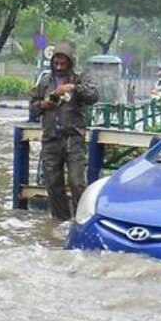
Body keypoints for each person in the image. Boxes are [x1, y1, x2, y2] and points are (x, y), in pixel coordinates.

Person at [29, 41, 98, 221]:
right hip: (51, 139)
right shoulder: (45, 82)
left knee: (77, 182)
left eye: (63, 64)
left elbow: (93, 96)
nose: (59, 67)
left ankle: (82, 220)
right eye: (56, 64)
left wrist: (73, 88)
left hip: (73, 139)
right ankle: (61, 221)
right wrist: (44, 104)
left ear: (70, 63)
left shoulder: (79, 79)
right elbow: (32, 107)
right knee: (52, 184)